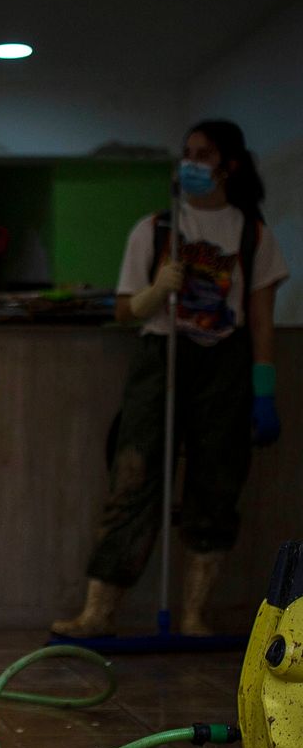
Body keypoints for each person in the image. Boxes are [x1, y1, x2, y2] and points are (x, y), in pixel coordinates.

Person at [52, 120, 289, 638]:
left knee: (216, 484)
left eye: (202, 153)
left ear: (228, 164)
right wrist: (157, 291)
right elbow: (122, 310)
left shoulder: (252, 234)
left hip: (225, 365)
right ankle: (99, 613)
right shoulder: (156, 229)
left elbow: (261, 317)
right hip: (162, 358)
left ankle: (194, 615)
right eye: (186, 153)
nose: (190, 162)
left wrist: (264, 390)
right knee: (134, 479)